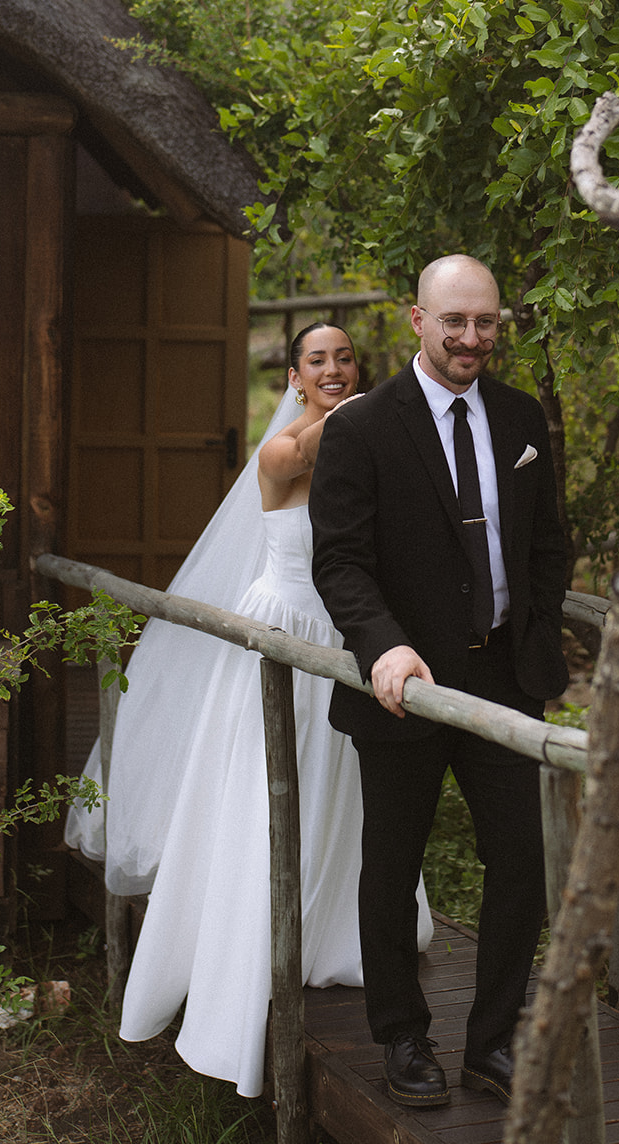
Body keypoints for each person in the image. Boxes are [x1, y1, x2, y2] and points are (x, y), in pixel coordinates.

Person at [64, 322, 433, 1099]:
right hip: (285, 628)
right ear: (295, 378)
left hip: (343, 631)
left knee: (345, 787)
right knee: (267, 789)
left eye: (342, 358)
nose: (332, 369)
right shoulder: (283, 451)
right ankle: (245, 941)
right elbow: (321, 450)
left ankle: (335, 924)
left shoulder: (364, 431)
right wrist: (395, 398)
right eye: (316, 361)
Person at [309, 256, 569, 1109]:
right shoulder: (359, 426)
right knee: (391, 865)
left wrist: (531, 630)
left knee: (522, 867)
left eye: (484, 323)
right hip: (404, 683)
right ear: (414, 319)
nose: (470, 338)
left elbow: (547, 546)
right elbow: (340, 563)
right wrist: (381, 646)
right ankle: (403, 1035)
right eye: (453, 321)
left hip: (503, 679)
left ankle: (491, 1042)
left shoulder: (522, 416)